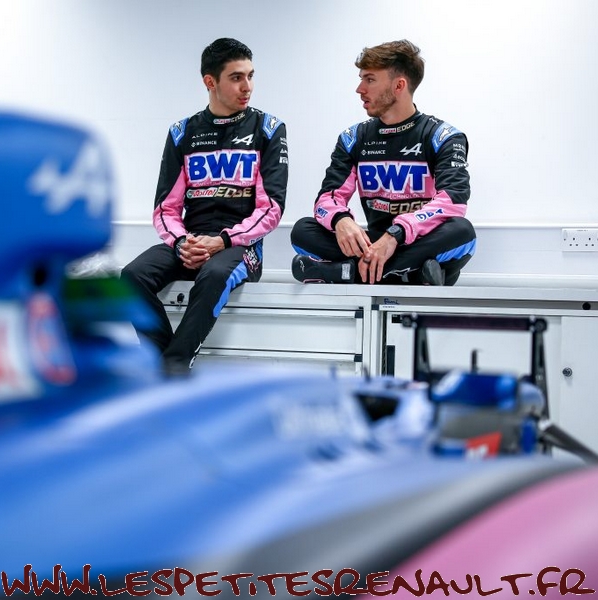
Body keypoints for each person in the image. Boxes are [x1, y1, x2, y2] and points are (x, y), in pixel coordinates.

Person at [121, 38, 288, 375]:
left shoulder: (268, 129)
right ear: (210, 82)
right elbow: (165, 208)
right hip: (191, 243)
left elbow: (271, 208)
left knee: (213, 274)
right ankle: (162, 361)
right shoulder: (182, 132)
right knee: (130, 276)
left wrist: (223, 241)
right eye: (236, 78)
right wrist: (182, 242)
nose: (247, 87)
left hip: (240, 248)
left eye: (250, 76)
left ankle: (175, 364)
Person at [291, 39, 475, 286]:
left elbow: (453, 202)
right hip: (374, 244)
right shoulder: (353, 138)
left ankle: (348, 273)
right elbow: (327, 199)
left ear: (399, 85)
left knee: (462, 232)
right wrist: (340, 220)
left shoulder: (443, 137)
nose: (359, 89)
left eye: (369, 79)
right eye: (361, 79)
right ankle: (410, 275)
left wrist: (396, 234)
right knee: (302, 230)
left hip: (417, 240)